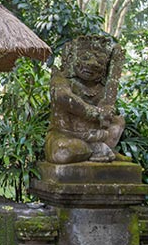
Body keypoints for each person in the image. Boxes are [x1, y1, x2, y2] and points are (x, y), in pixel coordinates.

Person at [45, 35, 126, 164]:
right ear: (70, 59)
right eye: (85, 57)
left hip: (97, 136)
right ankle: (96, 150)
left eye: (99, 61)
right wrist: (95, 113)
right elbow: (63, 97)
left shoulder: (102, 88)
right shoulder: (61, 80)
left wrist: (107, 110)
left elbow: (107, 112)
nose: (92, 64)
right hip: (65, 136)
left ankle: (101, 149)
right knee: (62, 151)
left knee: (118, 122)